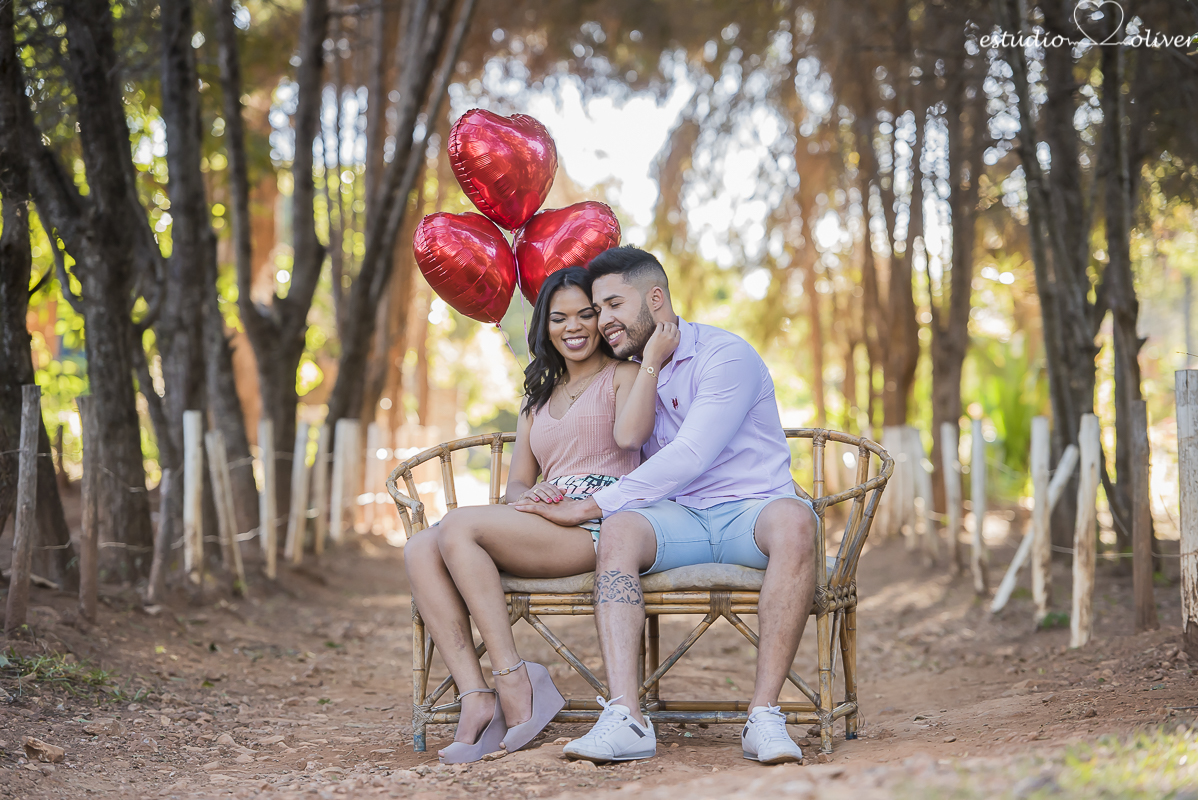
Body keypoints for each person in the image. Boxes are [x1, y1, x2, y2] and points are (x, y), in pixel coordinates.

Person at [513, 246, 817, 765]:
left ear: (655, 297)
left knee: (795, 520)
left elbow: (693, 452)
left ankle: (765, 716)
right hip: (681, 518)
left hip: (751, 511)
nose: (603, 320)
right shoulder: (635, 371)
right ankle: (626, 717)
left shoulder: (726, 355)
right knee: (621, 531)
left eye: (613, 305)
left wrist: (591, 505)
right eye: (597, 309)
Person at [404, 266, 679, 764]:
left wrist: (651, 364)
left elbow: (634, 440)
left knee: (460, 524)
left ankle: (516, 683)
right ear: (545, 327)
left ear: (600, 323)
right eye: (559, 318)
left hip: (599, 523)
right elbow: (517, 484)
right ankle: (477, 697)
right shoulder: (536, 400)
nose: (573, 327)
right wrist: (531, 497)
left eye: (585, 315)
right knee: (420, 546)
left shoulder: (623, 376)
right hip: (545, 520)